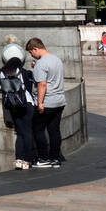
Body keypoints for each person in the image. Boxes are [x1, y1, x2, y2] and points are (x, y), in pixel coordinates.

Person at [0, 42, 38, 170]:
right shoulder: (22, 72)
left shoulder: (1, 72)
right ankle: (27, 160)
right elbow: (29, 88)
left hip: (12, 105)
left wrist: (6, 90)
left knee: (20, 132)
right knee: (27, 132)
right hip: (26, 104)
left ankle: (18, 159)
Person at [26, 38, 66, 168]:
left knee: (38, 129)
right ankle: (55, 158)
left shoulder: (41, 64)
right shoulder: (57, 60)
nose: (32, 55)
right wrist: (36, 66)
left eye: (31, 53)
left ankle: (43, 158)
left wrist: (40, 103)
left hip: (47, 102)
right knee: (54, 130)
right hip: (59, 101)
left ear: (35, 49)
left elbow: (42, 84)